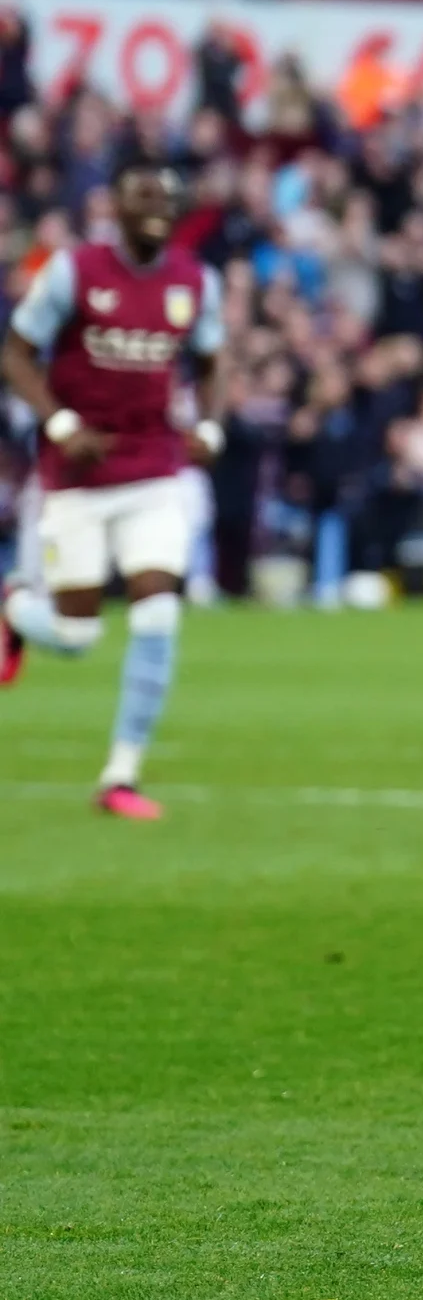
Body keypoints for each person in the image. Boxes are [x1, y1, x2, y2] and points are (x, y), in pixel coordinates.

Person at [1, 163, 228, 820]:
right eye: (143, 197)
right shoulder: (76, 272)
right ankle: (15, 607)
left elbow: (213, 360)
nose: (157, 208)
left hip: (156, 469)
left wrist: (210, 424)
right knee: (75, 636)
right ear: (118, 208)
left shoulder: (194, 282)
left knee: (159, 611)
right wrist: (61, 422)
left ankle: (121, 775)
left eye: (167, 198)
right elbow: (15, 353)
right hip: (77, 474)